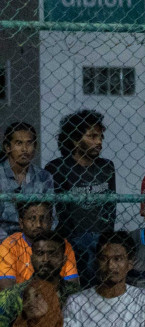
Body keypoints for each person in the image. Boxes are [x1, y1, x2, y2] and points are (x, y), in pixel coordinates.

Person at [46, 110, 115, 277]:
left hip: (100, 236)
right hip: (71, 237)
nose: (99, 142)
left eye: (100, 137)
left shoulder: (106, 167)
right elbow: (57, 211)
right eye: (92, 136)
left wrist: (105, 237)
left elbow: (111, 207)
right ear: (75, 141)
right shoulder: (58, 168)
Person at [0, 202, 78, 288]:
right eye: (32, 219)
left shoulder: (62, 244)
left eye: (43, 218)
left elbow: (72, 287)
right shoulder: (9, 246)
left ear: (51, 221)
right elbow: (7, 290)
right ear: (21, 223)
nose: (38, 224)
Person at [0, 122, 52, 238]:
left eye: (29, 143)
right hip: (5, 240)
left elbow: (51, 217)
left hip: (36, 238)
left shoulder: (43, 176)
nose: (24, 149)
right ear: (7, 147)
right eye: (19, 143)